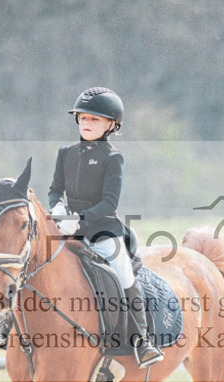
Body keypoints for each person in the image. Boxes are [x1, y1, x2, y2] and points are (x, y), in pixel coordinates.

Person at [47, 87, 163, 367]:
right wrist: (57, 208)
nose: (86, 123)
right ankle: (7, 329)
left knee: (123, 274)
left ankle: (142, 340)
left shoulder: (113, 157)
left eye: (95, 120)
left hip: (102, 230)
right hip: (66, 229)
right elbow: (54, 189)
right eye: (83, 118)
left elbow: (110, 203)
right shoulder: (65, 153)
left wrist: (81, 220)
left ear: (112, 124)